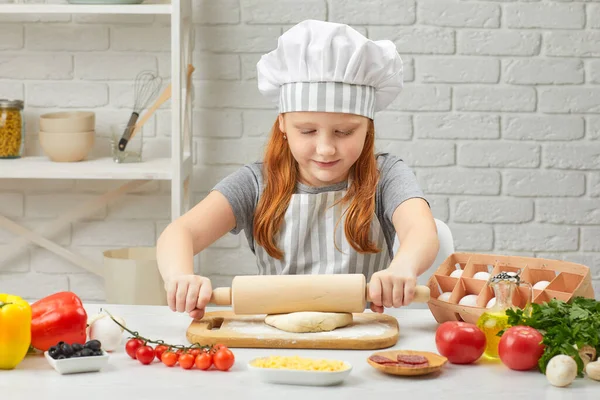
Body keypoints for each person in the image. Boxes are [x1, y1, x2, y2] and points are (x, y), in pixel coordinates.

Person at [156, 19, 439, 320]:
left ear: (368, 128)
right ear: (283, 124)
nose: (326, 148)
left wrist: (403, 266)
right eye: (307, 131)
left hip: (365, 329)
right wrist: (180, 277)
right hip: (277, 335)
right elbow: (179, 232)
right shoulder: (256, 183)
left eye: (344, 132)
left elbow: (420, 230)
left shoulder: (386, 176)